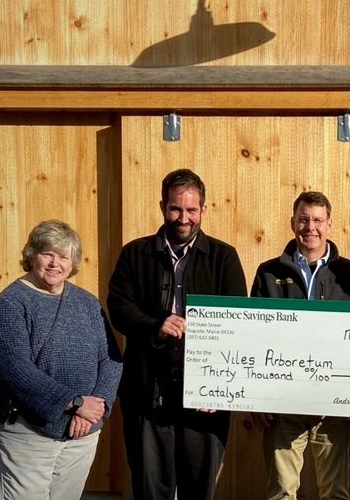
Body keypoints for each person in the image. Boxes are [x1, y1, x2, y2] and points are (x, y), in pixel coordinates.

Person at [107, 168, 248, 500]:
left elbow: (237, 324)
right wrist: (156, 324)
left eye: (191, 210)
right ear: (162, 206)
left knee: (198, 489)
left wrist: (219, 388)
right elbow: (119, 307)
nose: (184, 219)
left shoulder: (224, 257)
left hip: (205, 398)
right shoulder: (135, 253)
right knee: (150, 488)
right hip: (147, 391)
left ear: (204, 209)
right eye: (175, 209)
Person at [0, 220, 123, 500]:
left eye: (64, 257)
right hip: (27, 434)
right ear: (32, 255)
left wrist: (97, 406)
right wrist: (75, 403)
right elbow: (14, 370)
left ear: (73, 263)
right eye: (48, 254)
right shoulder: (10, 304)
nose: (55, 263)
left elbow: (111, 359)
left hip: (81, 434)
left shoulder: (87, 303)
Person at [250, 191, 350, 500]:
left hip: (334, 407)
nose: (310, 227)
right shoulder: (268, 273)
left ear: (329, 224)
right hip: (282, 406)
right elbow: (254, 338)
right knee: (281, 493)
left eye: (318, 220)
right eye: (303, 220)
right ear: (292, 223)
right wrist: (258, 398)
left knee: (335, 494)